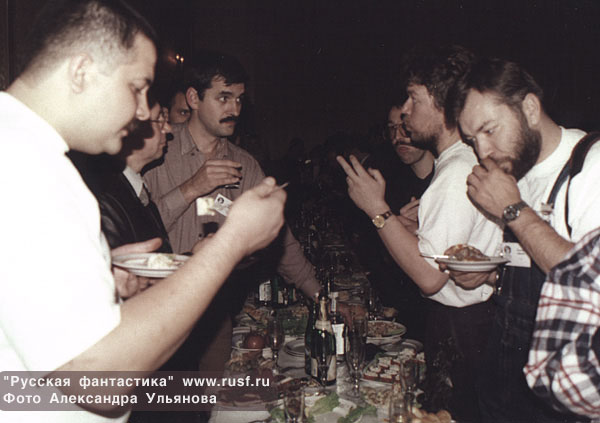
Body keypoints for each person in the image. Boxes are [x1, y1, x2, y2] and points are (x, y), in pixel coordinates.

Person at [0, 2, 286, 422]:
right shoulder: (28, 166)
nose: (141, 112)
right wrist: (231, 242)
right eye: (136, 87)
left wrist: (102, 279)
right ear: (81, 71)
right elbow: (97, 382)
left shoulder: (22, 151)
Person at [337, 45, 503, 422]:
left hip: (464, 328)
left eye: (414, 98)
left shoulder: (454, 172)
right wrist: (406, 227)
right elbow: (444, 253)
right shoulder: (458, 163)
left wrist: (376, 209)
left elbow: (429, 277)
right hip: (466, 323)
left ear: (443, 103)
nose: (406, 111)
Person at [143, 50, 321, 372]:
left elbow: (280, 239)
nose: (234, 109)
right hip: (155, 309)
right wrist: (192, 188)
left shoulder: (245, 165)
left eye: (239, 99)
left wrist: (320, 295)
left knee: (217, 395)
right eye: (224, 98)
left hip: (214, 315)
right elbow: (137, 230)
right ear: (194, 98)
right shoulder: (158, 152)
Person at [453, 56, 598, 422]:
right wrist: (491, 276)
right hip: (504, 385)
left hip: (559, 396)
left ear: (530, 108)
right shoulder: (519, 171)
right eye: (472, 140)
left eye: (489, 130)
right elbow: (532, 272)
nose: (483, 152)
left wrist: (513, 209)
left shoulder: (591, 166)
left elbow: (591, 284)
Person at [93, 94, 173, 253]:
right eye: (159, 120)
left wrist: (194, 256)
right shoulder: (105, 198)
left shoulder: (135, 188)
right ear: (130, 128)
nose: (168, 128)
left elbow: (151, 260)